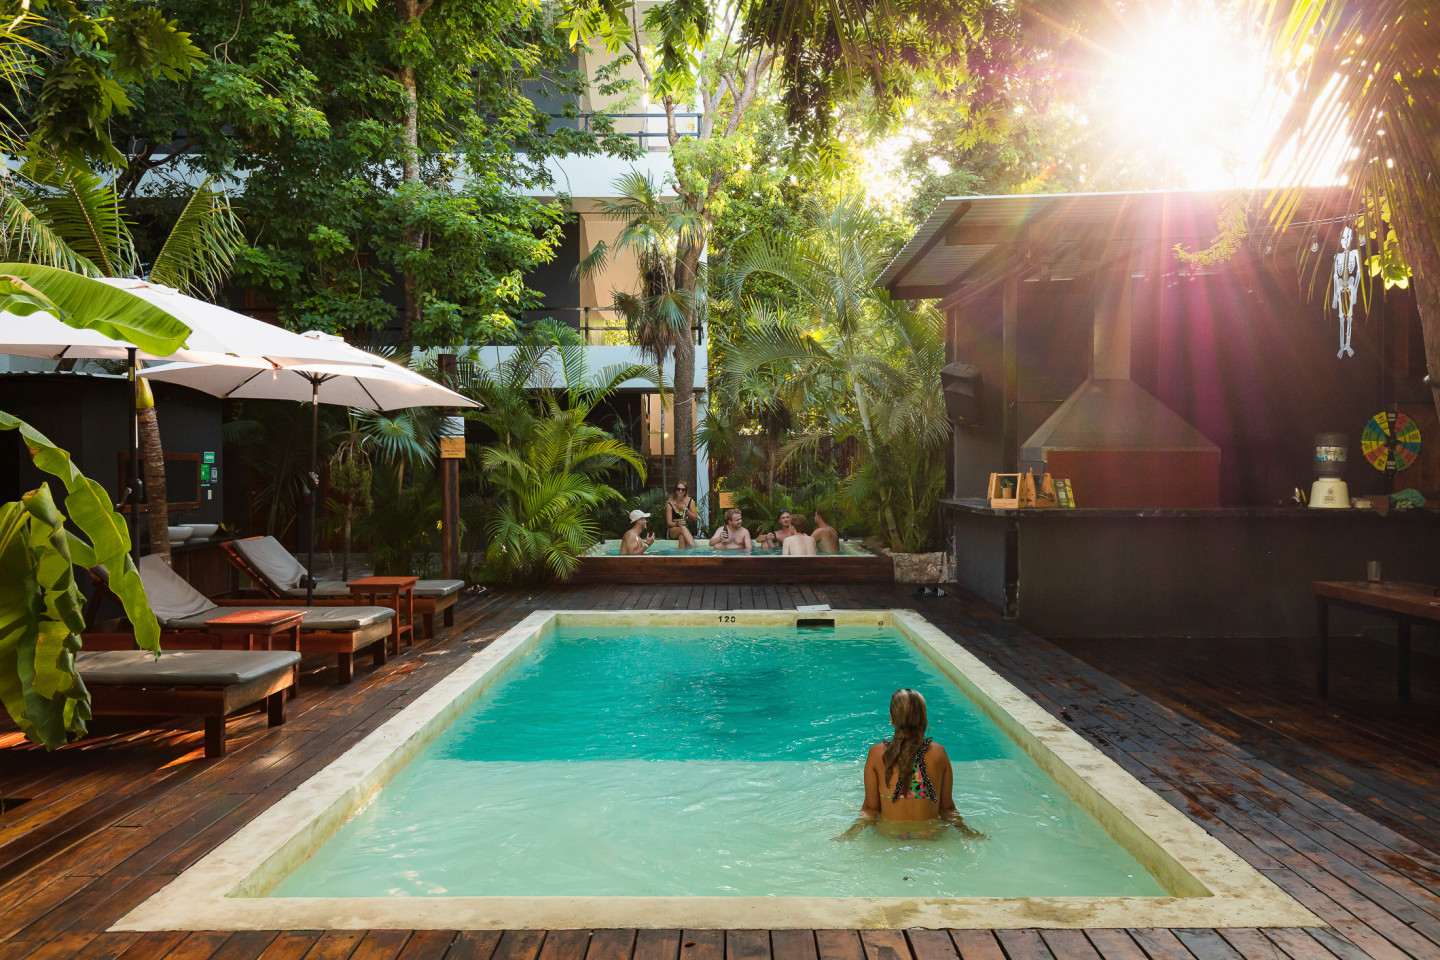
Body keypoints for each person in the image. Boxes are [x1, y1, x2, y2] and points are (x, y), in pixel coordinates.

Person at [835, 688, 984, 841]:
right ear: (924, 718)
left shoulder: (877, 754)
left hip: (889, 838)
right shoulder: (939, 753)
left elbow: (870, 810)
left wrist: (848, 835)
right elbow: (948, 810)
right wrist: (969, 833)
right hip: (930, 838)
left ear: (892, 718)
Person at [664, 482, 700, 549]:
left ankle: (682, 557)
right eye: (678, 489)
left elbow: (695, 518)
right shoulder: (670, 503)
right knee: (682, 528)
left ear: (686, 491)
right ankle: (695, 550)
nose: (681, 491)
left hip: (685, 529)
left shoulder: (690, 501)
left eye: (683, 489)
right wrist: (677, 523)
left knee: (682, 537)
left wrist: (686, 510)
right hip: (672, 530)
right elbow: (669, 523)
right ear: (675, 490)